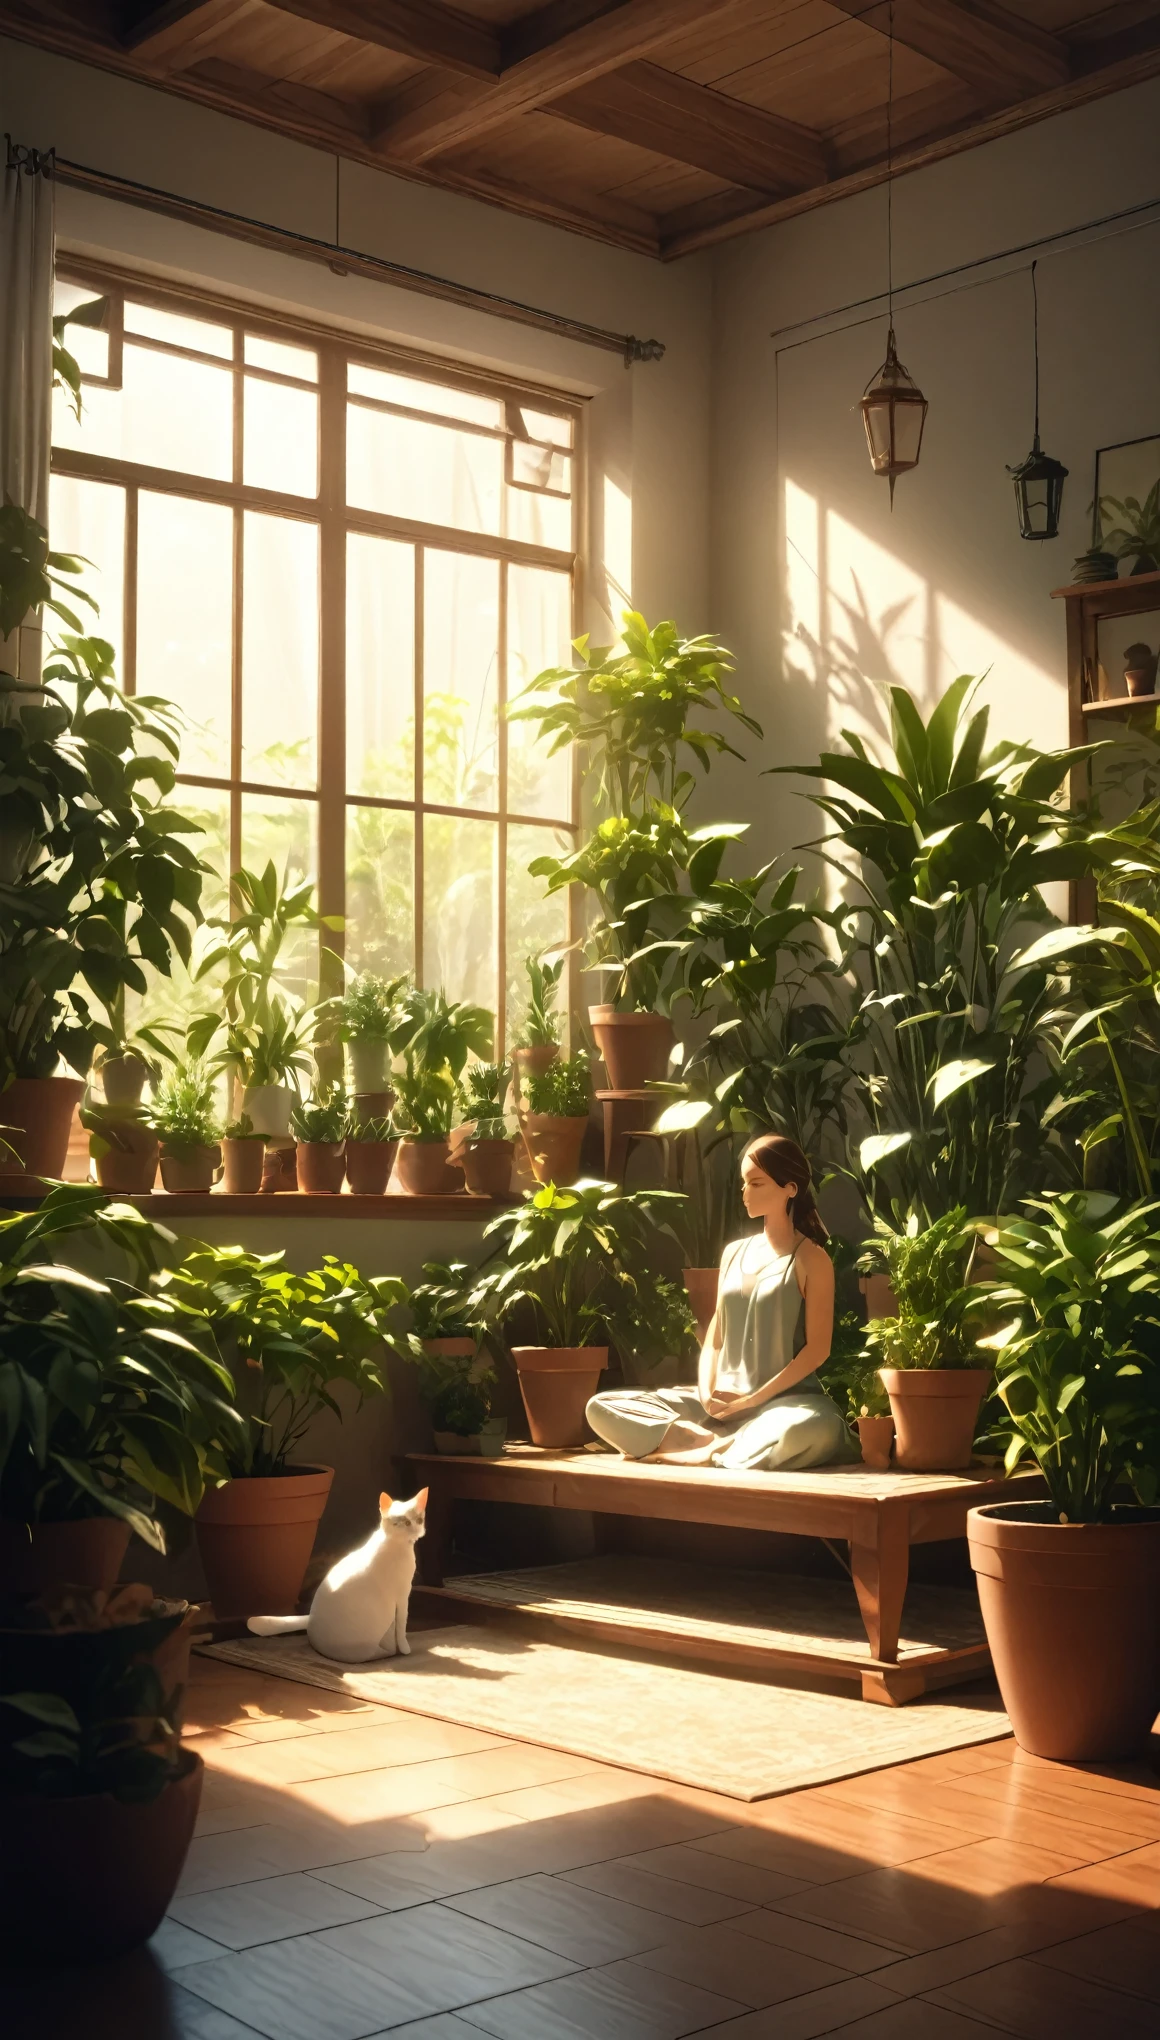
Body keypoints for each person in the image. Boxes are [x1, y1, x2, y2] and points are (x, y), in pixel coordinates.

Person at [586, 1133, 851, 1470]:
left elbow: (817, 1351)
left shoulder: (812, 1260)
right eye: (743, 1183)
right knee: (601, 1407)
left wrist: (752, 1400)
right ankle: (704, 1441)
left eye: (756, 1184)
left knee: (817, 1428)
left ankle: (713, 1449)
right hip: (719, 1405)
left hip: (783, 1404)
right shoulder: (733, 1253)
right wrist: (706, 1394)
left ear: (791, 1189)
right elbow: (715, 1336)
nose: (744, 1193)